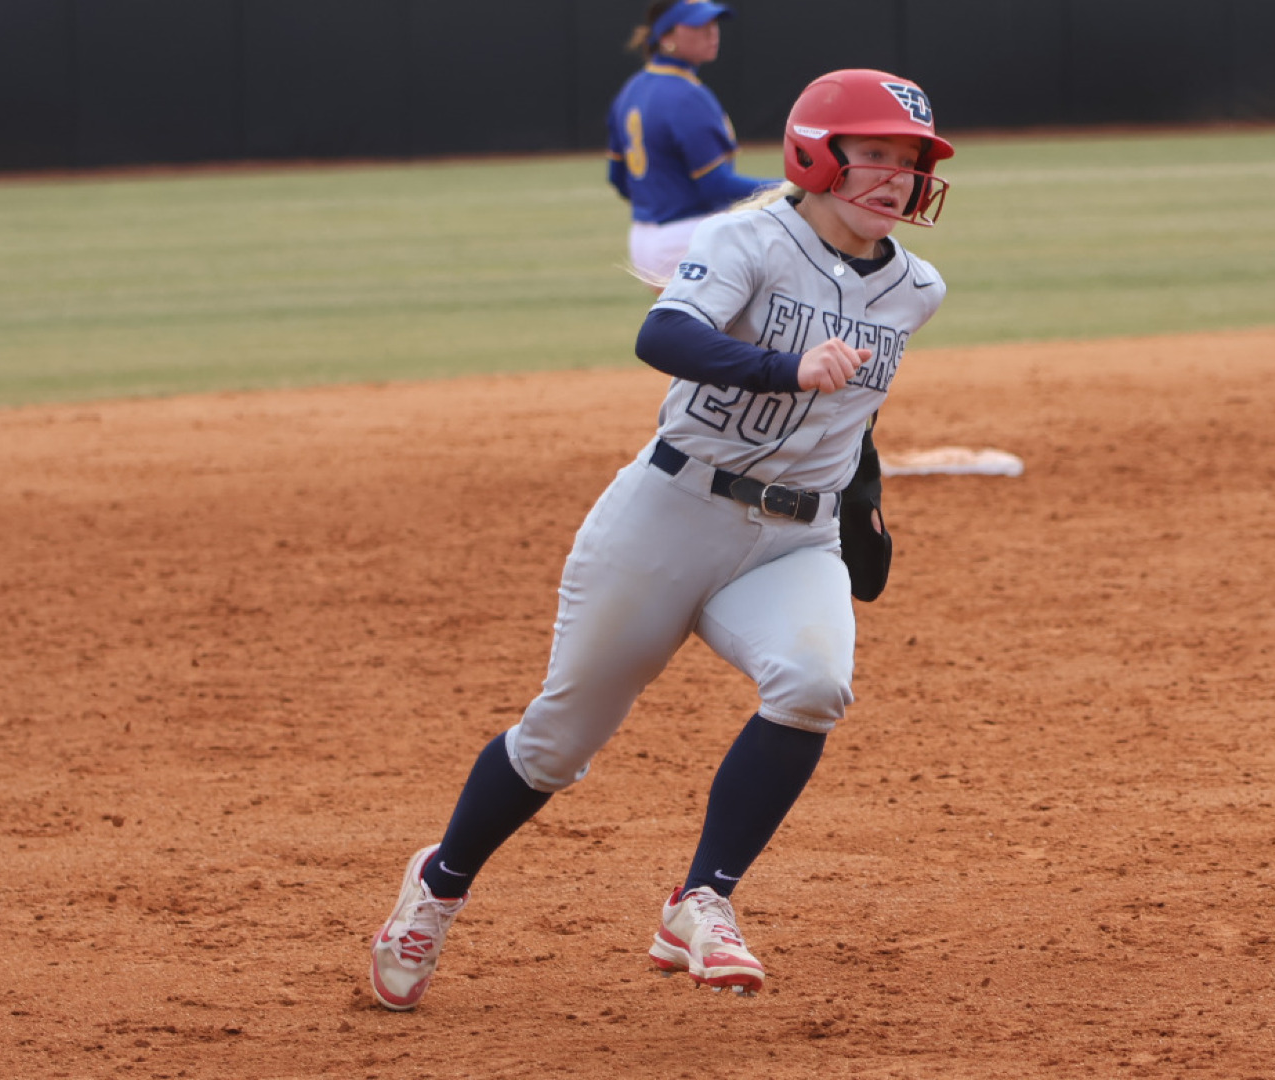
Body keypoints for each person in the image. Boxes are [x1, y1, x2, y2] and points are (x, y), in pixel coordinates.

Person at [371, 68, 954, 1011]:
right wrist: (784, 367)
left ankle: (702, 902)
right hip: (670, 515)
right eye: (876, 154)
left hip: (794, 537)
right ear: (817, 154)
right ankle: (438, 886)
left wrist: (866, 504)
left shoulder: (916, 288)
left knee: (813, 684)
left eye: (913, 160)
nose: (897, 177)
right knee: (557, 746)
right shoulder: (747, 239)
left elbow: (858, 412)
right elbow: (665, 336)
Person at [606, 0, 777, 286]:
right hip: (688, 236)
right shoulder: (686, 95)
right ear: (667, 36)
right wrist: (788, 188)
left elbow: (618, 179)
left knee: (677, 329)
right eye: (698, 25)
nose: (712, 33)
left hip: (643, 238)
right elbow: (716, 187)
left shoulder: (632, 89)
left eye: (714, 24)